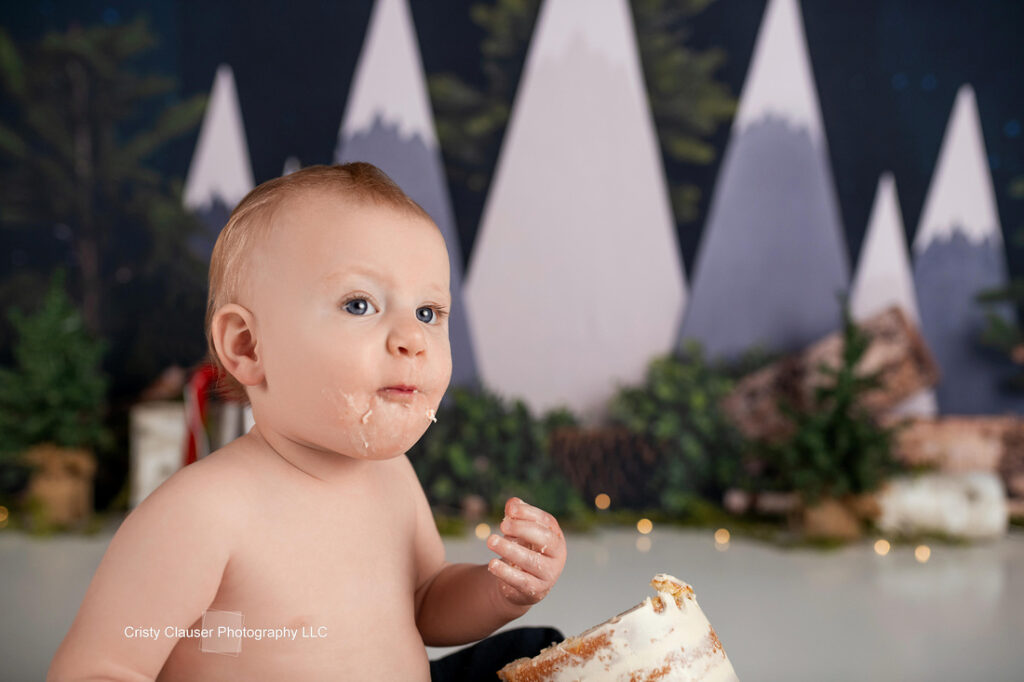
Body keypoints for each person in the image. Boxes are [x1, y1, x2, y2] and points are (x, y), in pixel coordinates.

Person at [49, 163, 566, 680]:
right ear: (248, 346)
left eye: (429, 312)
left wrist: (500, 590)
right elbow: (100, 669)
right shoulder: (201, 514)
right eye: (359, 304)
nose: (413, 338)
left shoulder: (392, 476)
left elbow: (426, 603)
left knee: (542, 653)